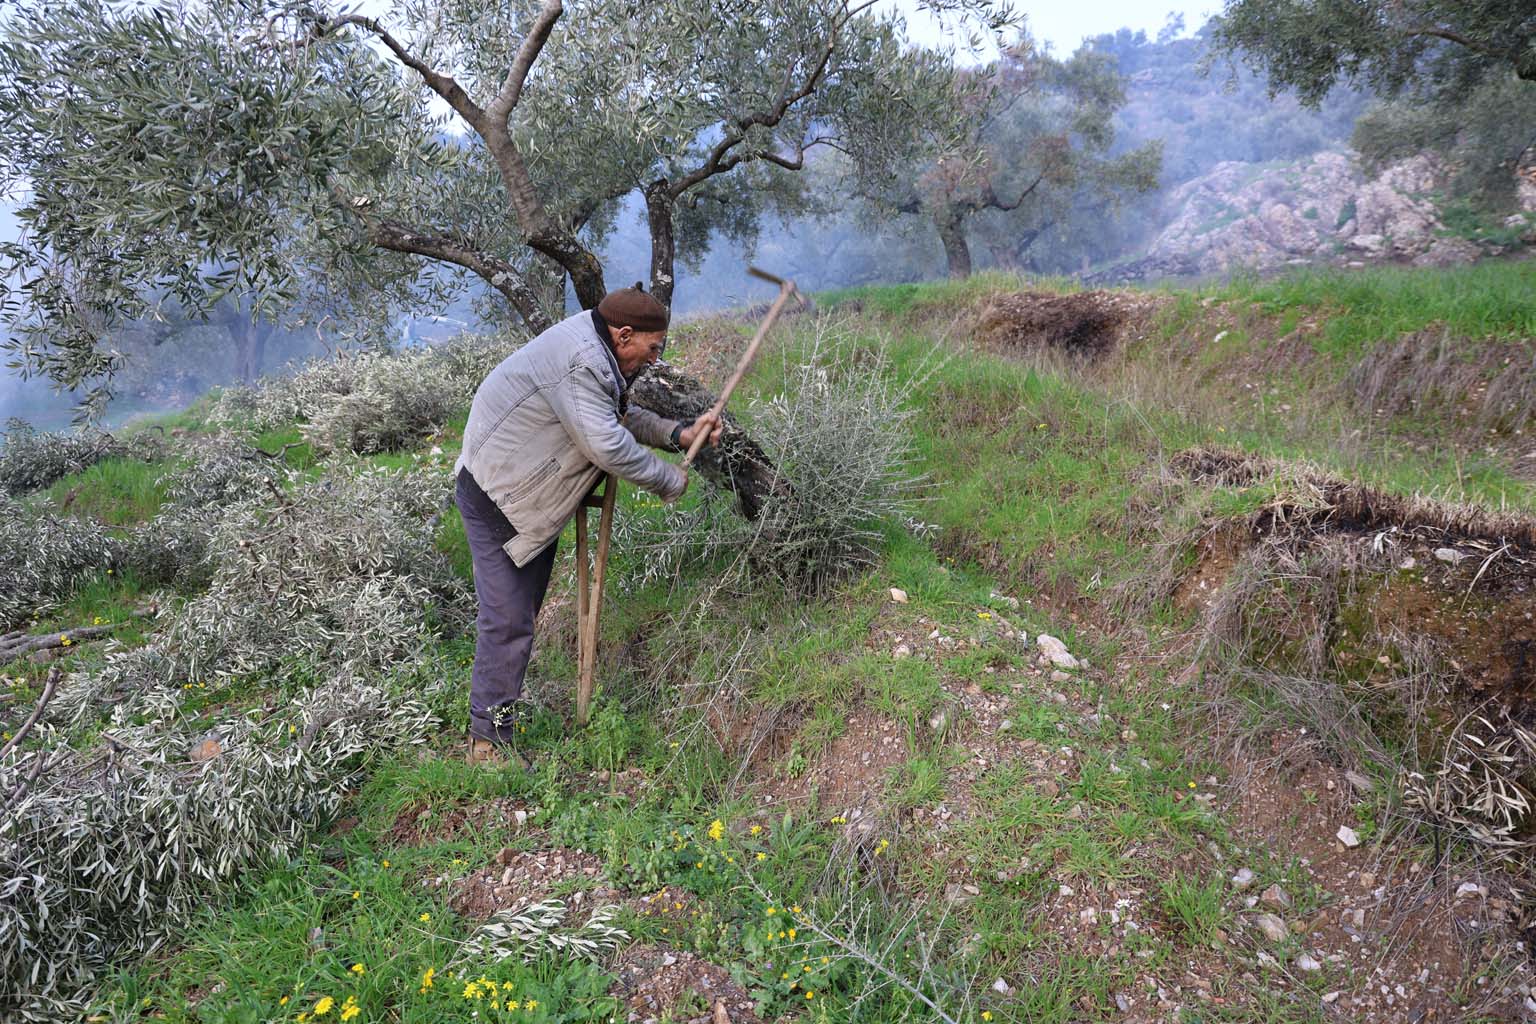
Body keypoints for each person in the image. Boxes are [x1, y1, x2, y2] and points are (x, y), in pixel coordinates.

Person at [453, 283, 721, 765]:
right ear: (623, 335)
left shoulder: (596, 350)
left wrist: (677, 433)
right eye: (652, 347)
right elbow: (607, 444)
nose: (655, 359)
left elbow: (616, 415)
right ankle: (486, 743)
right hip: (502, 497)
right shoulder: (581, 361)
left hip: (522, 495)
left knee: (517, 616)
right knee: (509, 620)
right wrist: (668, 481)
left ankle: (493, 726)